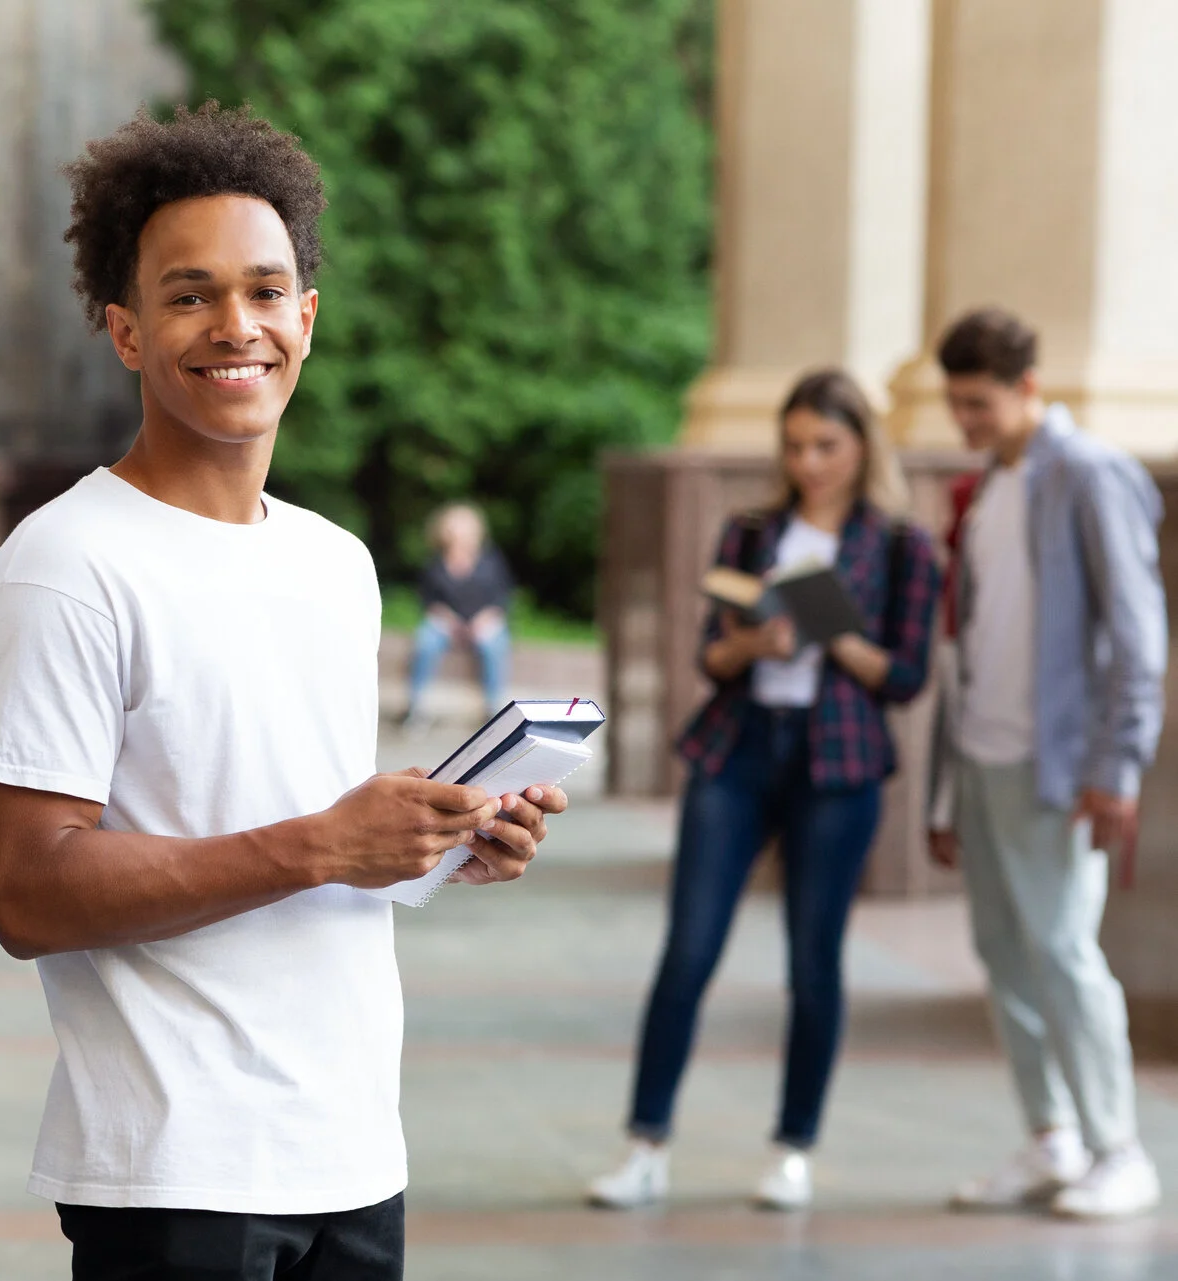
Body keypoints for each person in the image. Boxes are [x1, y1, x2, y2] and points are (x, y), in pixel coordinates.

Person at [0, 105, 567, 1281]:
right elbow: (25, 888)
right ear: (125, 329)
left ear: (307, 314)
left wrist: (437, 843)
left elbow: (304, 835)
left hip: (352, 1150)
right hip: (177, 1166)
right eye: (189, 297)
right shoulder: (66, 569)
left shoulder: (333, 564)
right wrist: (319, 845)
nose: (234, 326)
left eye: (262, 290)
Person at [585, 370, 941, 1213]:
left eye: (827, 445)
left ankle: (793, 1147)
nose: (809, 462)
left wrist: (834, 634)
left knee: (814, 960)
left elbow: (907, 676)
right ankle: (644, 1144)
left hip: (839, 764)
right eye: (795, 445)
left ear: (862, 449)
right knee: (689, 948)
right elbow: (711, 654)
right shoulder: (750, 534)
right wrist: (759, 642)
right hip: (739, 751)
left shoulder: (899, 546)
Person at [925, 308, 1166, 1221]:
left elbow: (1140, 636)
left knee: (1065, 951)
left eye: (979, 402)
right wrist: (947, 791)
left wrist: (1120, 764)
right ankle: (1050, 1137)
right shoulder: (990, 484)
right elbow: (974, 640)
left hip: (1059, 767)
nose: (966, 421)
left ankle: (1120, 1148)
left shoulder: (1091, 474)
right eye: (955, 404)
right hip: (983, 758)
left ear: (1029, 387)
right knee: (1003, 952)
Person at [401, 502, 513, 724]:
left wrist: (484, 618)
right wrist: (448, 619)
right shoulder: (435, 563)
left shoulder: (491, 561)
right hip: (446, 623)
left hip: (484, 621)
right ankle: (415, 706)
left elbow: (502, 597)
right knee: (425, 642)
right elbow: (428, 600)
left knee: (494, 646)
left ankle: (493, 707)